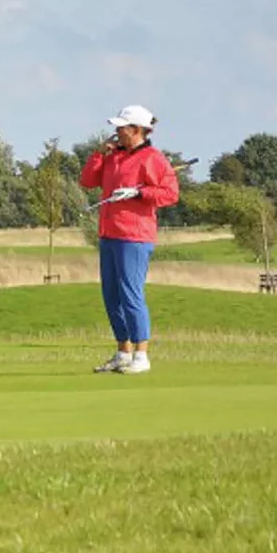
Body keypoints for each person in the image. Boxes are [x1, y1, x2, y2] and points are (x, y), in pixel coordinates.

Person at [79, 105, 180, 375]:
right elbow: (88, 181)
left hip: (135, 236)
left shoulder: (153, 159)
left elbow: (170, 194)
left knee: (130, 295)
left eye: (122, 127)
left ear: (136, 130)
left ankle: (141, 355)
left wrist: (139, 193)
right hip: (109, 233)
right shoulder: (113, 157)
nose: (116, 131)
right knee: (111, 296)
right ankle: (123, 352)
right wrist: (99, 154)